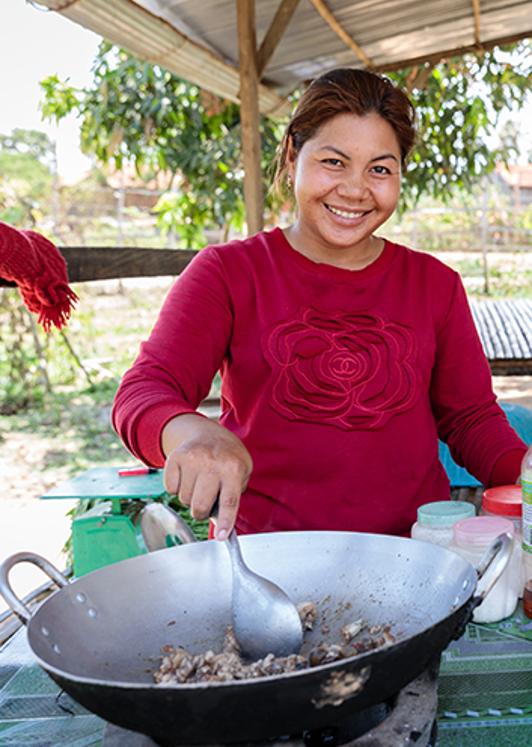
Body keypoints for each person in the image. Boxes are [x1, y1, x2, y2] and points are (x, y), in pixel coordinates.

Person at [112, 68, 527, 542]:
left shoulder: (435, 284)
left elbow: (470, 417)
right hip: (266, 563)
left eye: (380, 169)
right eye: (334, 161)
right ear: (292, 156)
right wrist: (187, 431)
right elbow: (144, 391)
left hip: (414, 558)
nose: (355, 189)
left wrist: (523, 469)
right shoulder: (228, 273)